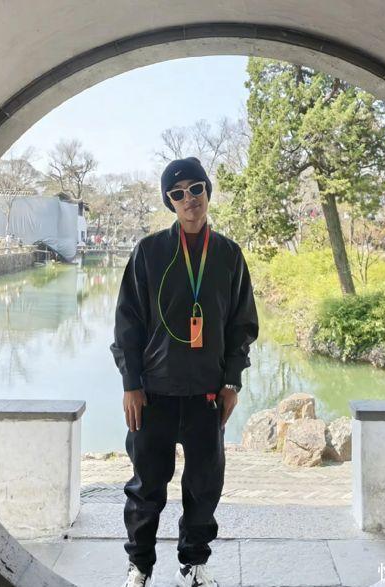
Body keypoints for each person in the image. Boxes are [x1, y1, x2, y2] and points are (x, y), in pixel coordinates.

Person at [110, 157, 260, 587]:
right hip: (153, 394)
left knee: (204, 487)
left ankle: (192, 565)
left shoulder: (228, 255)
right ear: (170, 202)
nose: (189, 198)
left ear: (207, 191)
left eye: (196, 188)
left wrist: (231, 381)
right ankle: (140, 566)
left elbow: (241, 326)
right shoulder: (149, 252)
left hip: (206, 395)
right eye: (178, 194)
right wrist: (131, 384)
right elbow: (127, 324)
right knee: (145, 489)